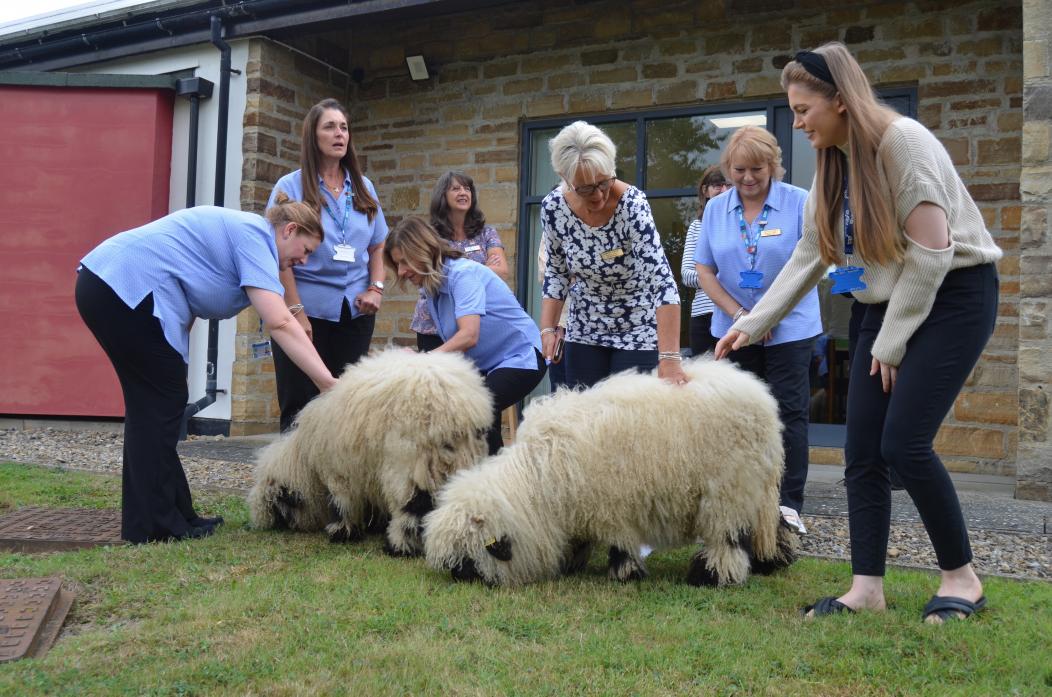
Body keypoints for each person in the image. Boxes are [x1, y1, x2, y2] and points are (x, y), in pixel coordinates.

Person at [715, 42, 1002, 623]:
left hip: (953, 294)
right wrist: (752, 324)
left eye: (801, 110)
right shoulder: (834, 161)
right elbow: (810, 254)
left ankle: (963, 579)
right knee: (861, 453)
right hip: (886, 298)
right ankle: (866, 588)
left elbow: (932, 253)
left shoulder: (904, 144)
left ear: (841, 101)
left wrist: (892, 342)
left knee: (904, 445)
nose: (796, 123)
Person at [76, 197, 337, 543]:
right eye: (305, 250)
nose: (302, 261)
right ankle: (155, 525)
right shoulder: (255, 238)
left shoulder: (250, 239)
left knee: (157, 406)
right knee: (160, 405)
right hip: (120, 284)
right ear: (289, 230)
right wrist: (327, 383)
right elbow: (281, 322)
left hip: (110, 286)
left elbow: (193, 293)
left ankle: (176, 515)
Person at [694, 126, 821, 535]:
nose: (748, 178)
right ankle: (742, 501)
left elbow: (812, 265)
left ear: (774, 166)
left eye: (757, 169)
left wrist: (766, 316)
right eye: (739, 169)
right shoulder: (716, 209)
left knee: (788, 412)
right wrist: (740, 316)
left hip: (790, 327)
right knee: (738, 417)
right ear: (728, 169)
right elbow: (704, 270)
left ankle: (788, 505)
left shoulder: (799, 202)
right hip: (732, 327)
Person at [268, 98, 389, 432]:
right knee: (299, 404)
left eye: (344, 127)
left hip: (355, 313)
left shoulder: (365, 188)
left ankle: (337, 482)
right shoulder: (289, 187)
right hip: (305, 312)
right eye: (330, 127)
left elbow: (379, 244)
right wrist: (295, 310)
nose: (340, 134)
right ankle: (291, 484)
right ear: (313, 136)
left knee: (346, 403)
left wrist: (376, 287)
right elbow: (278, 255)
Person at [539, 120, 687, 387]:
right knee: (586, 418)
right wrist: (548, 329)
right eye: (584, 188)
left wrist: (670, 357)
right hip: (584, 329)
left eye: (603, 182)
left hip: (637, 327)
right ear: (564, 177)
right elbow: (557, 272)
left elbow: (661, 281)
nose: (598, 195)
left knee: (630, 420)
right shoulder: (553, 209)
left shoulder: (633, 205)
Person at [384, 217, 547, 455]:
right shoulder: (432, 287)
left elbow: (468, 336)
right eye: (397, 265)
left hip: (522, 357)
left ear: (422, 250)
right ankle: (484, 477)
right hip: (488, 364)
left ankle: (492, 479)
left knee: (473, 409)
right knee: (468, 415)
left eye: (403, 262)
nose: (401, 272)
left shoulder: (463, 274)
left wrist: (419, 360)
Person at [412, 171, 508, 352]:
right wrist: (483, 269)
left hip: (474, 322)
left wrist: (460, 274)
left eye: (467, 188)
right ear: (443, 196)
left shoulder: (486, 233)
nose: (463, 193)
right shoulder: (430, 235)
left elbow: (502, 271)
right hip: (434, 325)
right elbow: (431, 277)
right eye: (456, 189)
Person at [680, 165, 730, 356]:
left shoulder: (743, 223)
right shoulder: (696, 226)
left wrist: (710, 274)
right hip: (703, 314)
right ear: (705, 190)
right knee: (705, 379)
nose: (723, 190)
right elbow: (686, 275)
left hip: (733, 313)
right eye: (718, 185)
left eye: (728, 185)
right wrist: (713, 277)